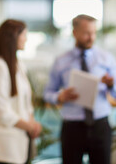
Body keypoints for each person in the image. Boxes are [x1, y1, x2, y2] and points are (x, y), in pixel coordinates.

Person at [44, 14, 116, 164]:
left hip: (100, 125)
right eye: (86, 33)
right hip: (72, 127)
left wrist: (111, 85)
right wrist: (60, 97)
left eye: (93, 32)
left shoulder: (106, 58)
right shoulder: (61, 61)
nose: (91, 37)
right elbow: (47, 93)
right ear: (74, 33)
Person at [0, 19, 41, 164]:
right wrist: (29, 126)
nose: (26, 39)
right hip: (4, 147)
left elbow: (26, 103)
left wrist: (32, 122)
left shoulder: (19, 65)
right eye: (24, 35)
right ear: (13, 37)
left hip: (20, 143)